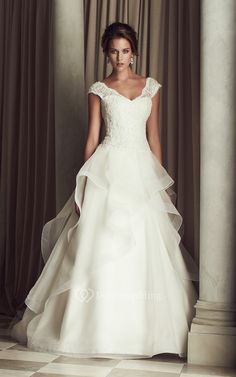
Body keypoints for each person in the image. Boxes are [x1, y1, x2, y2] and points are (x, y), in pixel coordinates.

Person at [9, 21, 199, 359]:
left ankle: (149, 334)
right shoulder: (99, 89)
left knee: (144, 244)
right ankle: (88, 330)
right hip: (107, 169)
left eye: (125, 51)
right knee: (98, 245)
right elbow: (92, 140)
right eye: (113, 51)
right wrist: (85, 184)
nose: (119, 57)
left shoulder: (151, 87)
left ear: (134, 51)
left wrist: (157, 183)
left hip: (140, 170)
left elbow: (154, 139)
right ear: (106, 53)